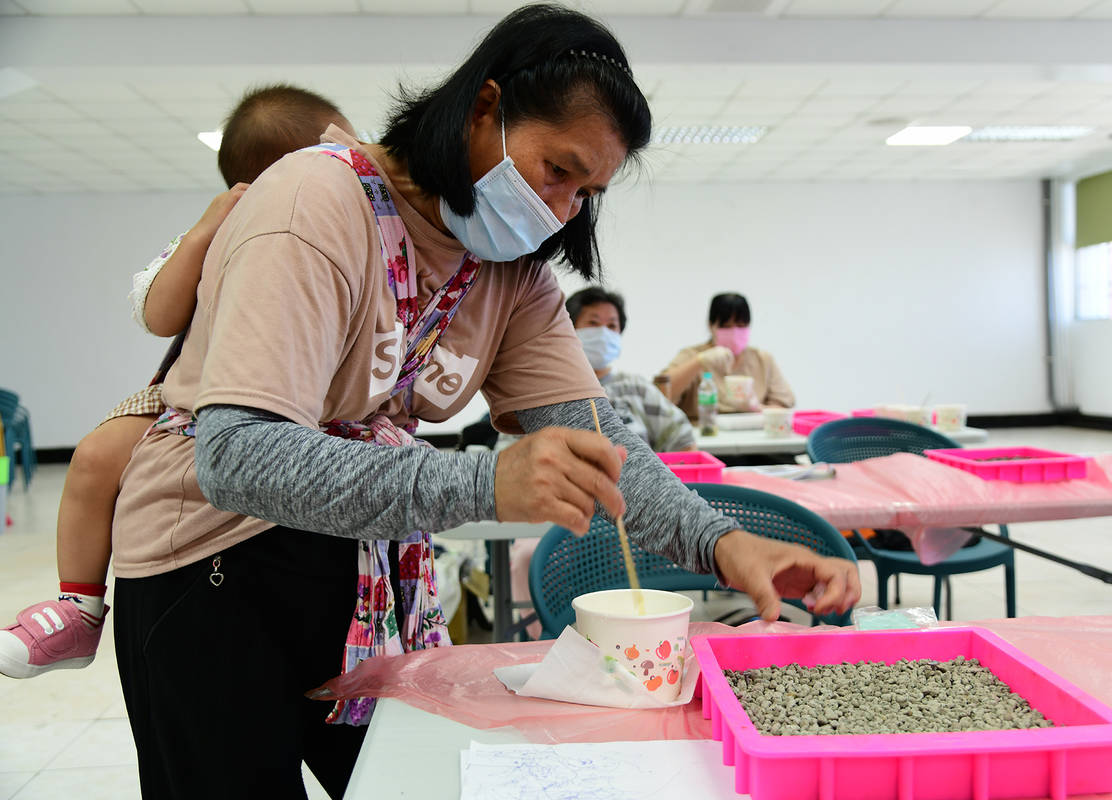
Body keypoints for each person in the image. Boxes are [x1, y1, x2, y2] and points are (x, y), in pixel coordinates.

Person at [107, 6, 860, 798]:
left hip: (357, 565)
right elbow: (237, 456)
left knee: (404, 780)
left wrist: (726, 547)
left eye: (586, 192)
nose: (563, 209)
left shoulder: (512, 274)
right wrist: (482, 482)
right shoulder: (314, 203)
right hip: (210, 564)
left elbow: (599, 438)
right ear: (484, 109)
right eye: (557, 170)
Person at [0, 85, 354, 680]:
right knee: (94, 456)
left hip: (304, 398)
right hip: (191, 397)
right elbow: (159, 316)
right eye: (337, 154)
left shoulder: (353, 228)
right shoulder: (224, 226)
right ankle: (79, 607)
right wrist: (201, 236)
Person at [565, 286, 695, 452]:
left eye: (612, 325)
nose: (604, 332)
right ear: (569, 328)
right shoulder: (552, 393)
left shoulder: (636, 388)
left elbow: (682, 438)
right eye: (593, 323)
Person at [662, 292, 795, 419]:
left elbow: (784, 406)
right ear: (710, 325)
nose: (734, 332)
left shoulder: (762, 360)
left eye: (741, 325)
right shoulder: (692, 355)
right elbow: (660, 394)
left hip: (753, 435)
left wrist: (757, 408)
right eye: (726, 326)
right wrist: (699, 362)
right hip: (706, 433)